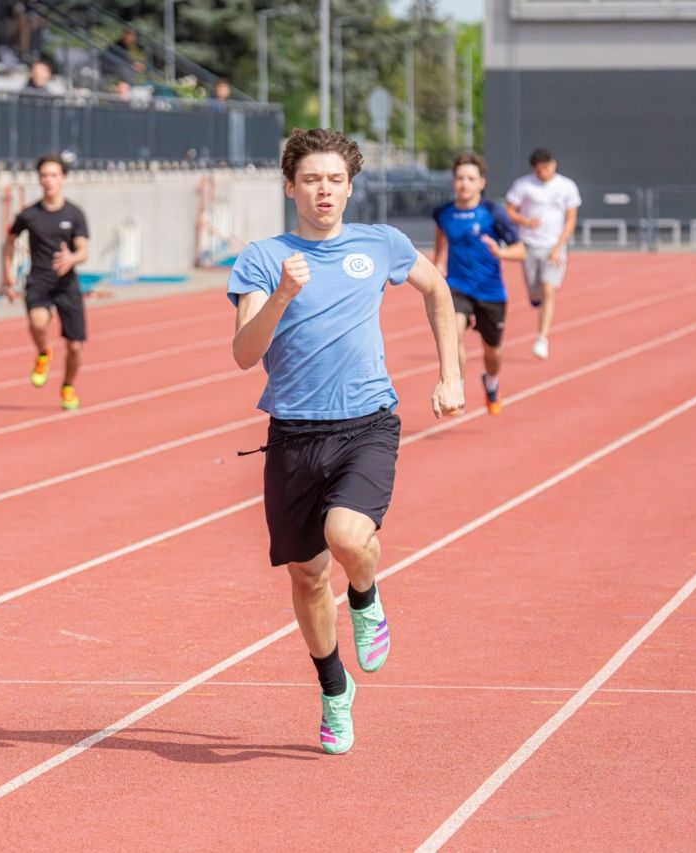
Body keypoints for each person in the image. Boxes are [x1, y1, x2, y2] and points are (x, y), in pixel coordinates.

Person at [228, 128, 462, 754]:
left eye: (335, 179)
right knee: (307, 578)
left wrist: (451, 374)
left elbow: (438, 291)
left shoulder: (381, 244)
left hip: (366, 424)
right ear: (290, 187)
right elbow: (245, 353)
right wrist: (282, 293)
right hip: (293, 434)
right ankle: (335, 690)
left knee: (348, 537)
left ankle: (365, 595)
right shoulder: (263, 258)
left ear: (351, 186)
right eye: (311, 180)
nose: (324, 190)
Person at [433, 152, 526, 415]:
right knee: (453, 334)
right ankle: (457, 386)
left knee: (492, 352)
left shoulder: (493, 213)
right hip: (456, 286)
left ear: (481, 183)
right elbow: (441, 239)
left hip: (490, 291)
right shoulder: (443, 213)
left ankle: (491, 382)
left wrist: (500, 252)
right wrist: (438, 263)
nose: (464, 183)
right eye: (460, 178)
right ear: (454, 181)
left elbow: (520, 251)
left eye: (470, 178)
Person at [1, 153, 90, 411]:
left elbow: (84, 250)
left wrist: (72, 258)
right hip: (38, 280)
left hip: (66, 284)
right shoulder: (29, 214)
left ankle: (68, 386)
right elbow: (9, 242)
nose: (49, 180)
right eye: (44, 176)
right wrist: (8, 276)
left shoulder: (74, 213)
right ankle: (43, 353)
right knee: (38, 322)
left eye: (54, 175)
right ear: (39, 180)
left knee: (75, 346)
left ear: (63, 178)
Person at [505, 147, 581, 360]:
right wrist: (526, 221)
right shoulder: (523, 185)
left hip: (553, 246)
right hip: (529, 245)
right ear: (534, 169)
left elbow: (570, 220)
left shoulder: (566, 186)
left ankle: (542, 338)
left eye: (547, 168)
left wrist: (558, 247)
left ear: (553, 165)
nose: (544, 172)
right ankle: (534, 297)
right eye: (539, 169)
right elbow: (509, 210)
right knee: (535, 293)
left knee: (549, 290)